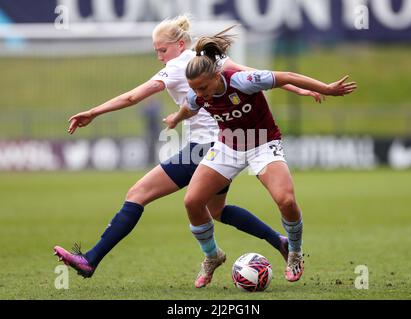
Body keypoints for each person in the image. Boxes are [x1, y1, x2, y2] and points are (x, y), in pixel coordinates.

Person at [53, 15, 325, 282]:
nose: (160, 56)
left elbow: (132, 96)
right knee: (216, 210)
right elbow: (251, 74)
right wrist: (298, 89)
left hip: (207, 146)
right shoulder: (211, 62)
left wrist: (93, 112)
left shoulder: (176, 68)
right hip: (223, 142)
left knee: (138, 193)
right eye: (156, 51)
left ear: (180, 45)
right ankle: (278, 242)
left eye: (163, 49)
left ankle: (90, 259)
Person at [163, 29, 356, 287]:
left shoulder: (243, 81)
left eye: (204, 87)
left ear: (216, 76)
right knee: (192, 202)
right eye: (195, 89)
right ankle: (212, 256)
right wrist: (176, 118)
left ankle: (295, 252)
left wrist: (327, 89)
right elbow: (189, 107)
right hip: (228, 147)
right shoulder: (197, 94)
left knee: (285, 200)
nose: (201, 93)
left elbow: (286, 76)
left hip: (264, 144)